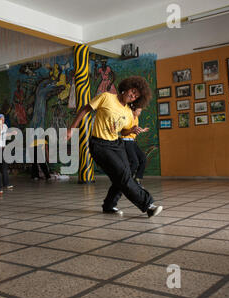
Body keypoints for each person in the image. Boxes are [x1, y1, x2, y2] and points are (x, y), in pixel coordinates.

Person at [67, 76, 163, 218]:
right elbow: (85, 109)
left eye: (136, 95)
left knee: (124, 176)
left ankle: (109, 205)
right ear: (126, 87)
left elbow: (123, 131)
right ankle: (148, 205)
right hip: (99, 144)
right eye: (132, 91)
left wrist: (131, 130)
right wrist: (71, 129)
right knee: (123, 176)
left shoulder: (128, 113)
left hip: (116, 144)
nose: (133, 95)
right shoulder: (106, 97)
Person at [121, 105, 149, 185]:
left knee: (143, 158)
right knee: (135, 162)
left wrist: (141, 130)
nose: (140, 113)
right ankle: (126, 180)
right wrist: (132, 130)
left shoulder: (136, 118)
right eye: (139, 111)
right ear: (133, 110)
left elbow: (135, 130)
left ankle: (137, 179)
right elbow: (123, 132)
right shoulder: (127, 117)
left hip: (132, 142)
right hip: (125, 141)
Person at [0, 113, 16, 189]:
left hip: (3, 148)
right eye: (1, 119)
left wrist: (11, 133)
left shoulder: (5, 126)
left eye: (3, 119)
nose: (2, 121)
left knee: (4, 167)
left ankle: (6, 183)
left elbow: (5, 135)